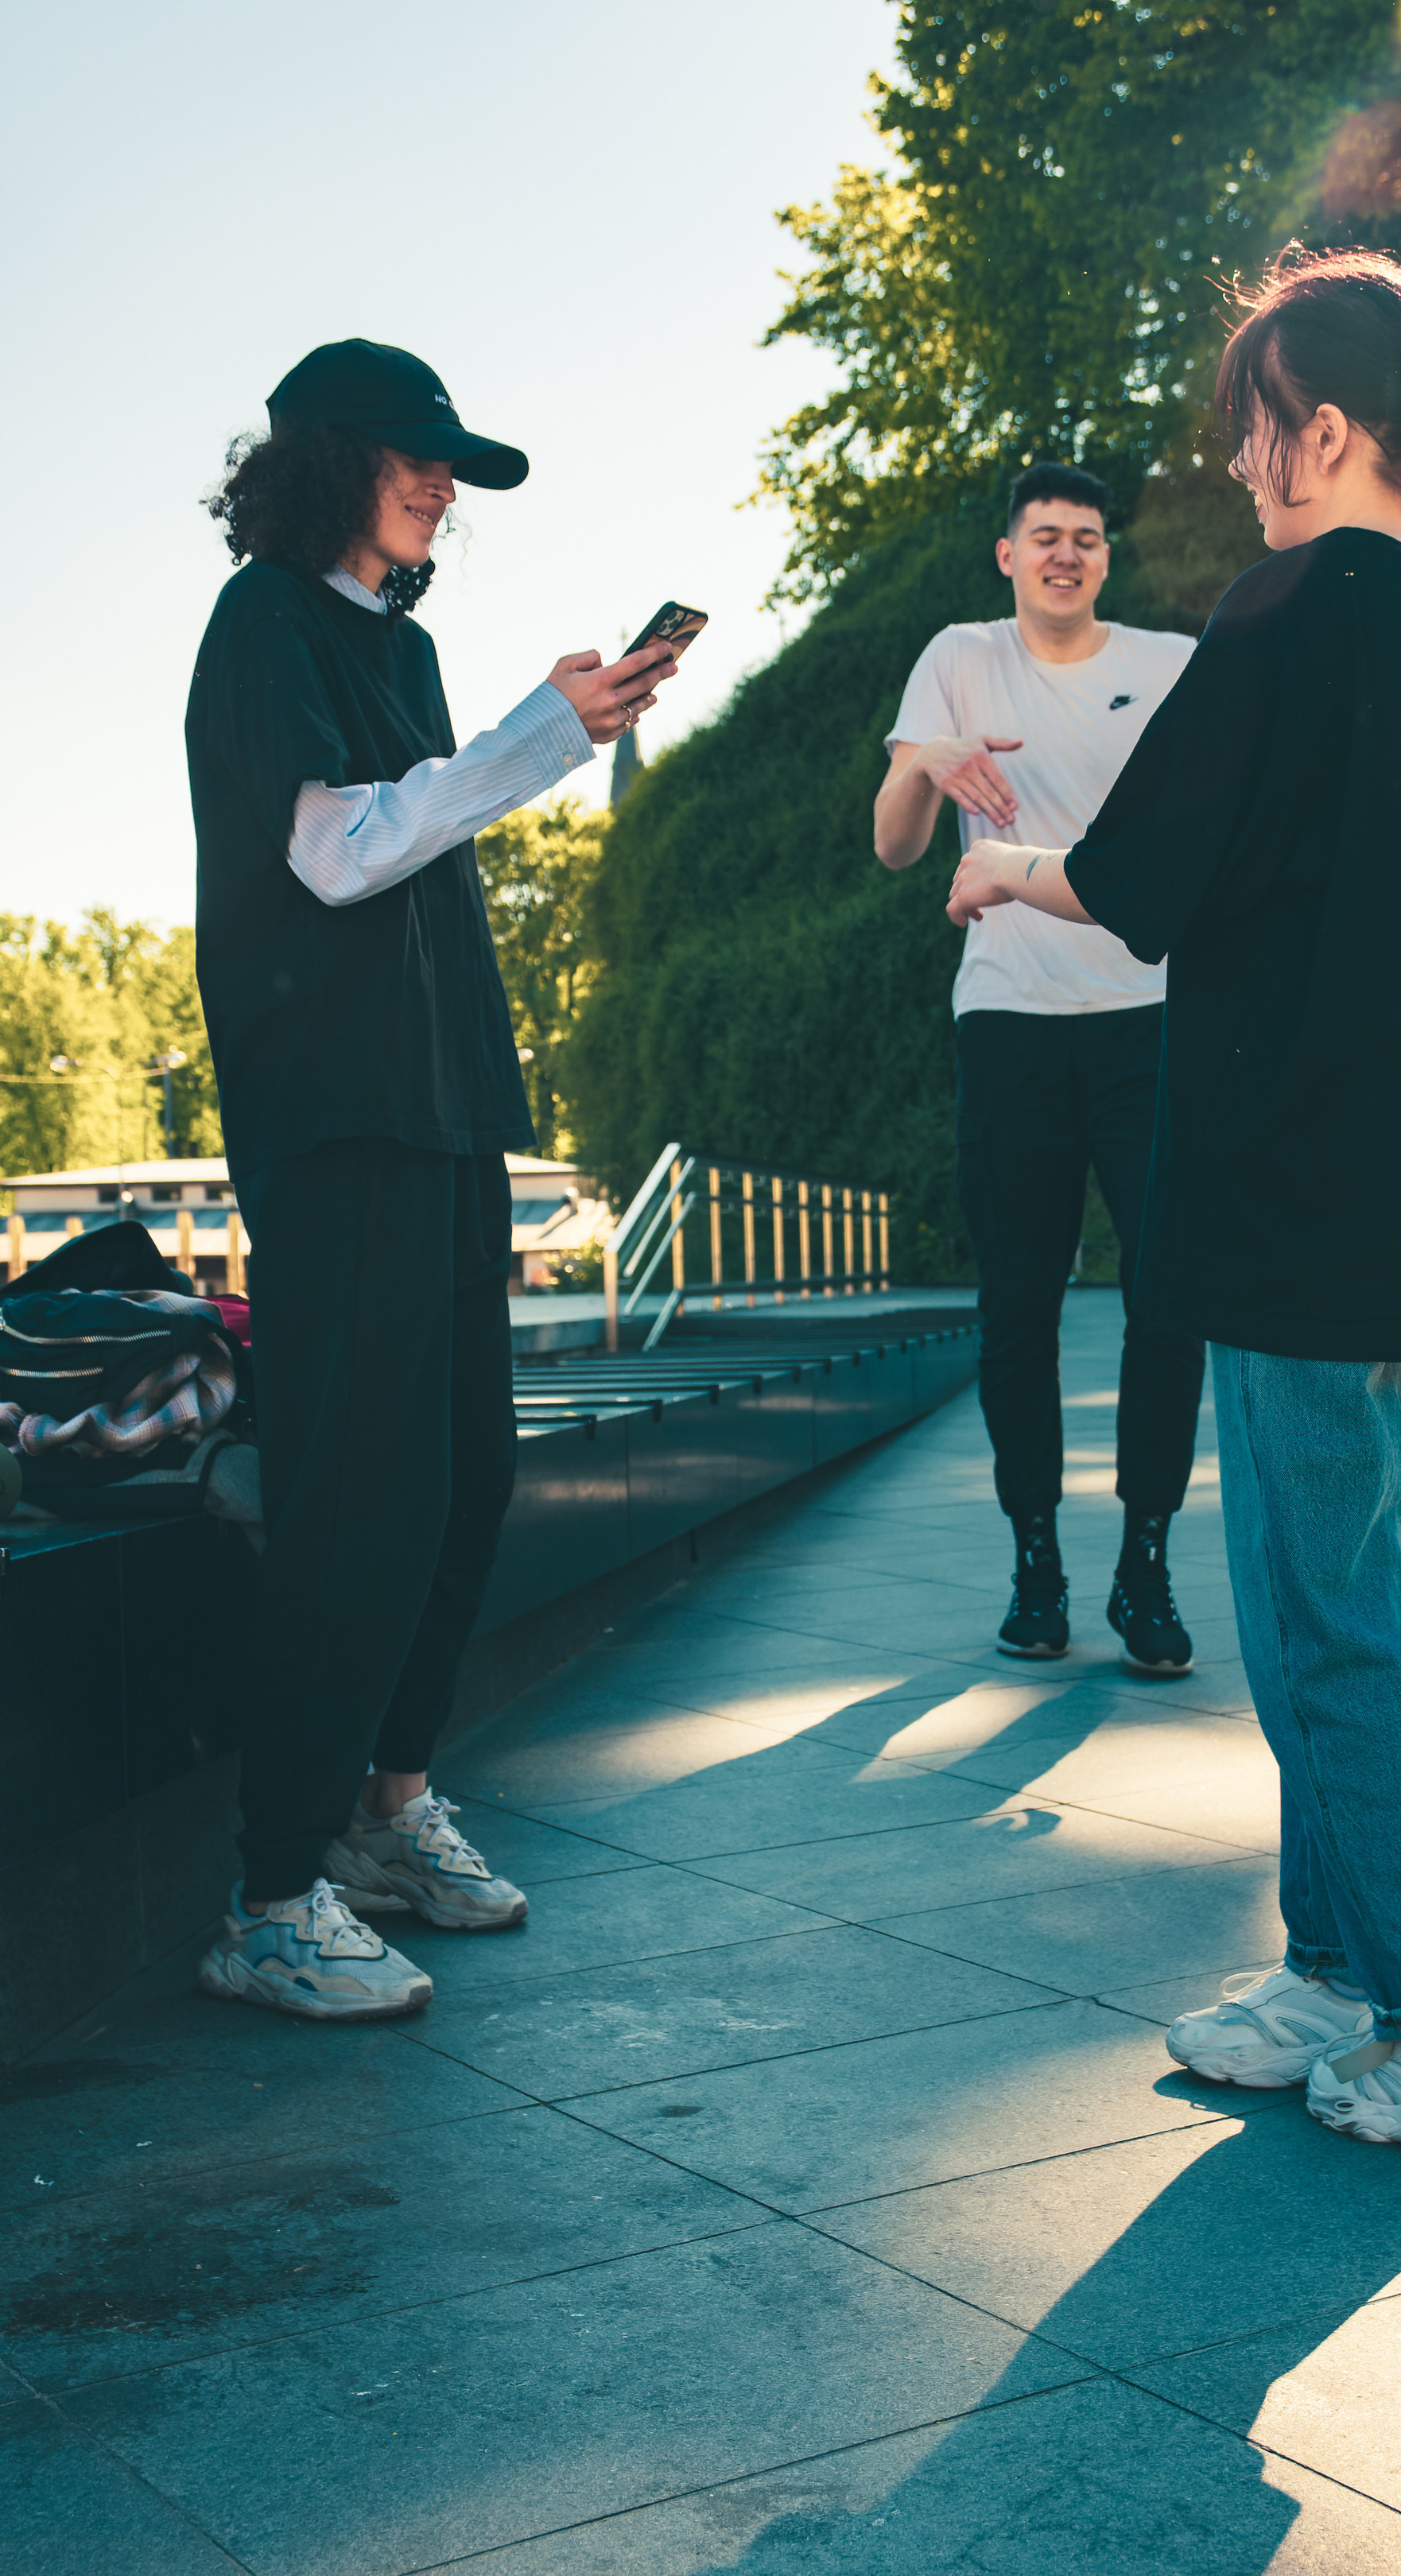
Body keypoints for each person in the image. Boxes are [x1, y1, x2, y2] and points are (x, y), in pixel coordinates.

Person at [945, 246, 1401, 2166]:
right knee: (1389, 1619)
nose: (1241, 469)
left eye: (1255, 429)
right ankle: (1333, 1978)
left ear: (1330, 429)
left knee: (1318, 1633)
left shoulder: (1297, 609)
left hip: (1302, 1199)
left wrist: (998, 872)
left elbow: (1145, 872)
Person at [186, 339, 677, 2021]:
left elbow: (419, 826)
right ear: (333, 456)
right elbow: (336, 855)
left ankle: (389, 1811)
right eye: (421, 457)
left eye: (452, 467)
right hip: (338, 1122)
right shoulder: (268, 621)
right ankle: (268, 1892)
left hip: (450, 1107)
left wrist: (525, 731)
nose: (444, 487)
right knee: (354, 1492)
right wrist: (545, 737)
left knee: (466, 1475)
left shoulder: (405, 640)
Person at [875, 464, 1208, 1671]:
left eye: (1087, 538)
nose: (1067, 553)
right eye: (1045, 537)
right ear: (1007, 555)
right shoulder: (959, 658)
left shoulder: (1168, 666)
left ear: (1105, 557)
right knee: (1018, 1308)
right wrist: (928, 763)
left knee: (1169, 1304)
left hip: (1148, 1018)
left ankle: (1146, 1570)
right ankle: (1037, 1567)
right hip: (1009, 1016)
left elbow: (1209, 824)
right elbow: (896, 847)